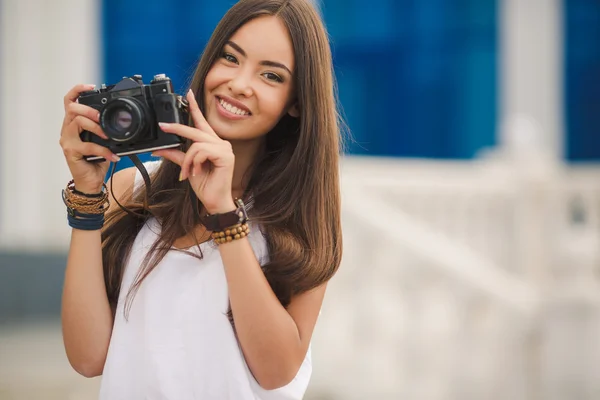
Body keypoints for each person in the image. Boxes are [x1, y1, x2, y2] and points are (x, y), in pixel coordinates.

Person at [58, 0, 343, 398]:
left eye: (271, 76)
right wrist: (88, 195)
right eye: (230, 57)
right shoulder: (130, 191)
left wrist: (223, 213)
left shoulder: (298, 218)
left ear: (297, 101)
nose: (240, 83)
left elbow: (276, 371)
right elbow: (87, 358)